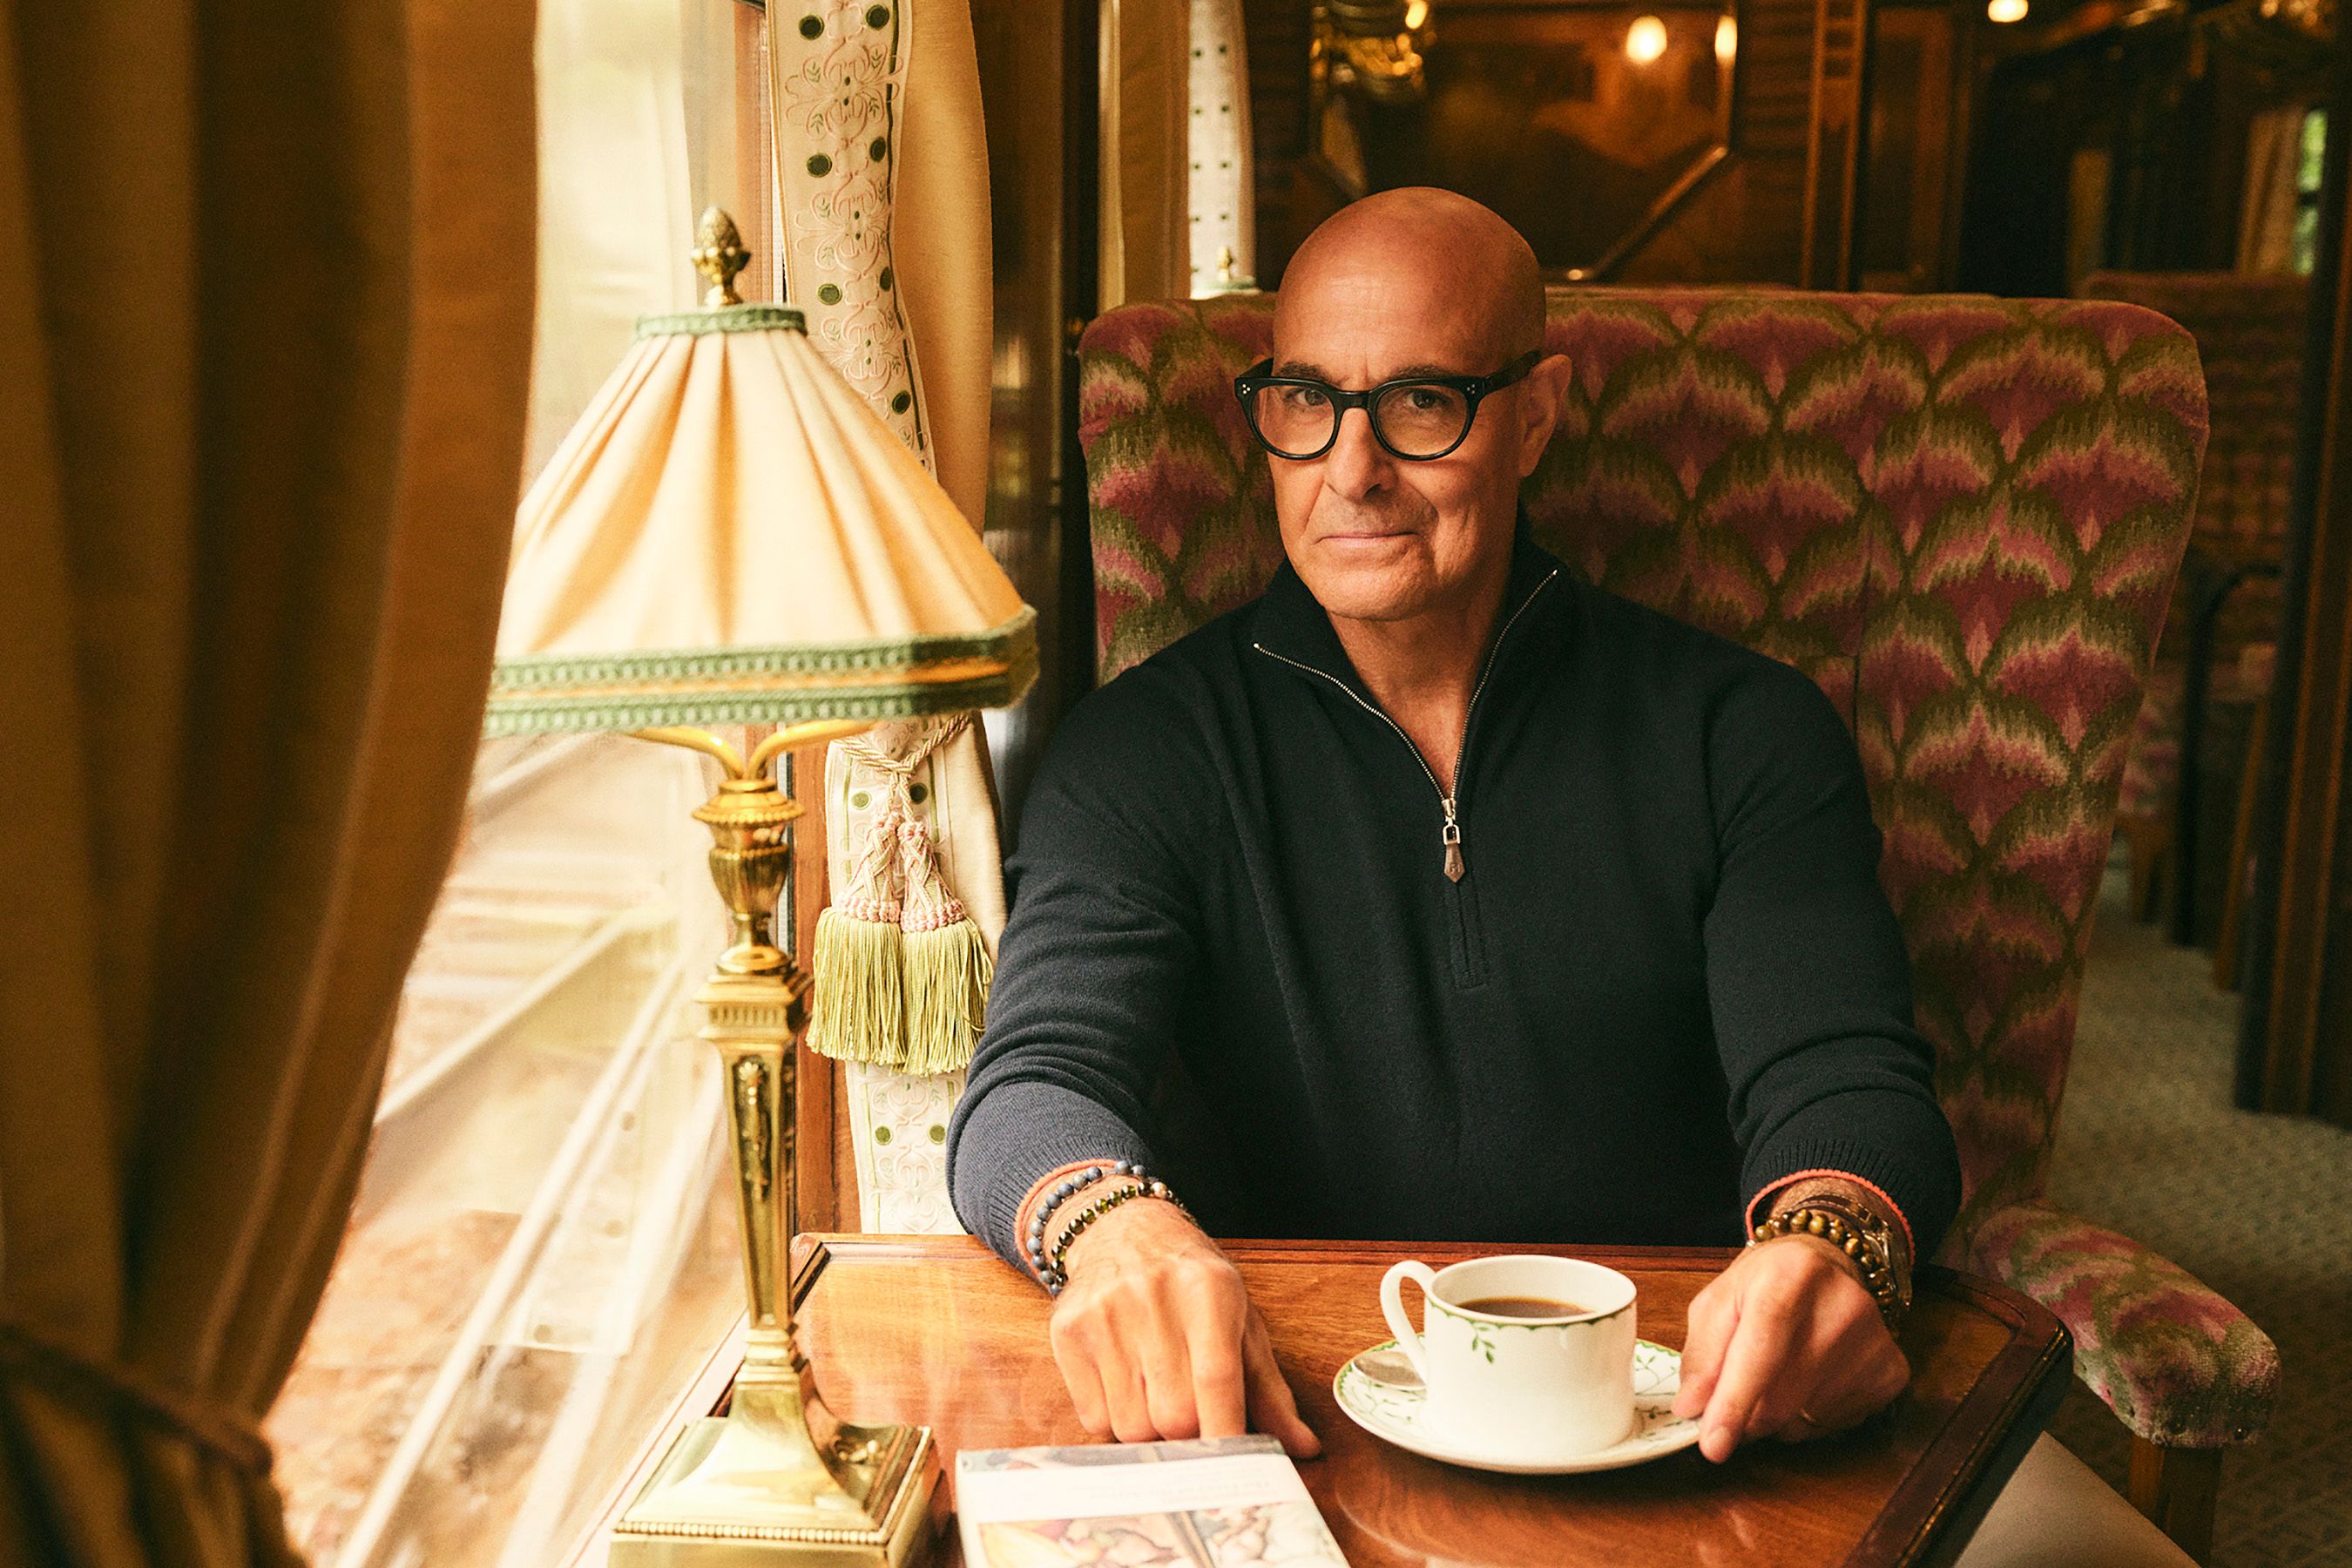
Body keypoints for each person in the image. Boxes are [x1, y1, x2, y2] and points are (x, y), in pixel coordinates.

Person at [944, 186, 1960, 1468]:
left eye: (1420, 404)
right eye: (1306, 403)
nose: (1352, 472)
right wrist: (1113, 1228)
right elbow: (1030, 1089)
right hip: (1297, 1420)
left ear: (1536, 416)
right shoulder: (1142, 750)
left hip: (1682, 1418)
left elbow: (1849, 1080)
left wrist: (1833, 1241)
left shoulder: (1743, 730)